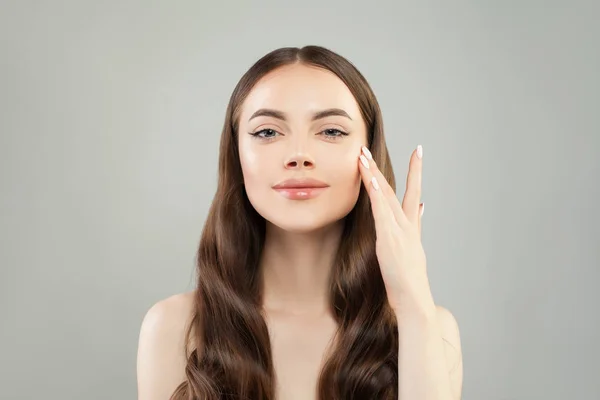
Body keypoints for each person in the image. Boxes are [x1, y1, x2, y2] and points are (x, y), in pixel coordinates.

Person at [136, 45, 463, 400]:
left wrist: (412, 303)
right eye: (267, 132)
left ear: (369, 151)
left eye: (332, 131)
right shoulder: (175, 328)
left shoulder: (430, 327)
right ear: (237, 156)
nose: (298, 156)